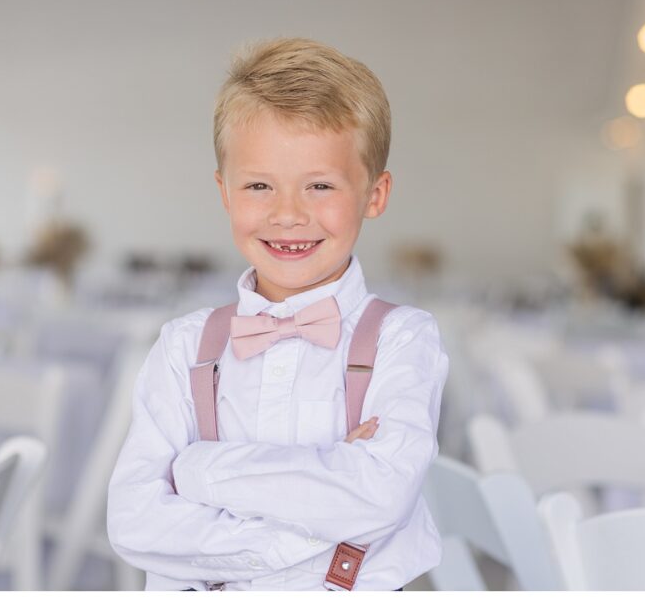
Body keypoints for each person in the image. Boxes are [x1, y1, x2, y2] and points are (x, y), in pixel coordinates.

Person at [107, 38, 449, 591]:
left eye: (319, 186)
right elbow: (133, 521)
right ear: (224, 192)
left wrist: (197, 470)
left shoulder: (403, 340)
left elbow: (380, 494)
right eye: (259, 185)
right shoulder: (182, 347)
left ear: (375, 194)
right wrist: (320, 532)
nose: (288, 214)